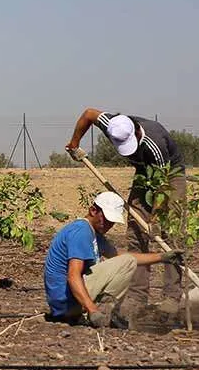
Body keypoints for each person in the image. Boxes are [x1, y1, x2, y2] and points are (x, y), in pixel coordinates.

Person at [65, 109, 187, 303]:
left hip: (169, 176)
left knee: (170, 233)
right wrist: (74, 143)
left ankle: (172, 296)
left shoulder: (155, 144)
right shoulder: (112, 125)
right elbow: (88, 114)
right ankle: (138, 296)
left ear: (137, 133)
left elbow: (162, 185)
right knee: (136, 232)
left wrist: (155, 217)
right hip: (143, 173)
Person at [44, 191, 183, 327]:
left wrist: (162, 257)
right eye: (107, 220)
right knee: (127, 263)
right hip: (66, 302)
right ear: (93, 211)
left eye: (112, 222)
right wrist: (93, 311)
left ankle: (99, 311)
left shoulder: (94, 234)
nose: (109, 225)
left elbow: (120, 256)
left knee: (126, 261)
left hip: (66, 302)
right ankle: (100, 312)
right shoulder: (81, 231)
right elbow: (73, 276)